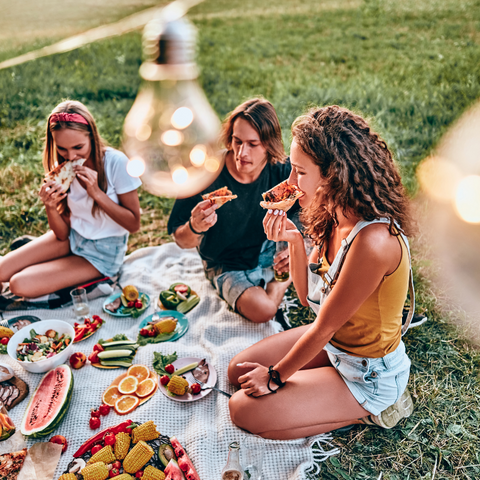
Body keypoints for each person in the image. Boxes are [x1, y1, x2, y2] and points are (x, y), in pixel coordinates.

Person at [227, 105, 416, 439]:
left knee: (242, 408)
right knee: (236, 372)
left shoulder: (373, 242)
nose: (290, 183)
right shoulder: (332, 212)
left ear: (333, 175)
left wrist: (274, 377)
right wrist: (292, 241)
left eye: (299, 172)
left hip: (367, 372)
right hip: (333, 346)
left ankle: (377, 408)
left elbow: (324, 326)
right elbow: (307, 298)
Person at [167, 98, 298, 323]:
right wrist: (195, 226)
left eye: (252, 144)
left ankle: (286, 273)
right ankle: (283, 282)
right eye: (237, 141)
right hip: (226, 261)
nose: (241, 153)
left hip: (269, 248)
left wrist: (298, 245)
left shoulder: (282, 171)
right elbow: (180, 239)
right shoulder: (205, 172)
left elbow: (308, 212)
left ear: (269, 144)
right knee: (264, 311)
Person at [0, 100, 141, 298]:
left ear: (91, 136)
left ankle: (99, 282)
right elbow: (62, 234)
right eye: (62, 149)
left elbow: (134, 224)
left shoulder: (116, 164)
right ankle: (56, 266)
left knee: (18, 284)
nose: (71, 156)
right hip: (73, 237)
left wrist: (96, 193)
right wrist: (50, 206)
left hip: (103, 252)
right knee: (1, 271)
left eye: (78, 147)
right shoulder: (63, 169)